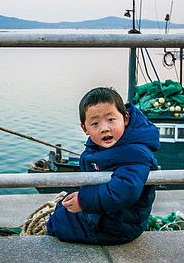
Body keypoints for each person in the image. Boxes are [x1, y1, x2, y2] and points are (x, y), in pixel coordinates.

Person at [46, 87, 160, 245]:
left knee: (58, 223)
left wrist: (83, 201)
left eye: (111, 120)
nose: (104, 128)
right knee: (62, 207)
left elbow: (125, 191)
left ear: (125, 118)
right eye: (95, 123)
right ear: (84, 128)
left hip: (118, 226)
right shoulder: (102, 146)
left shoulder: (134, 152)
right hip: (108, 214)